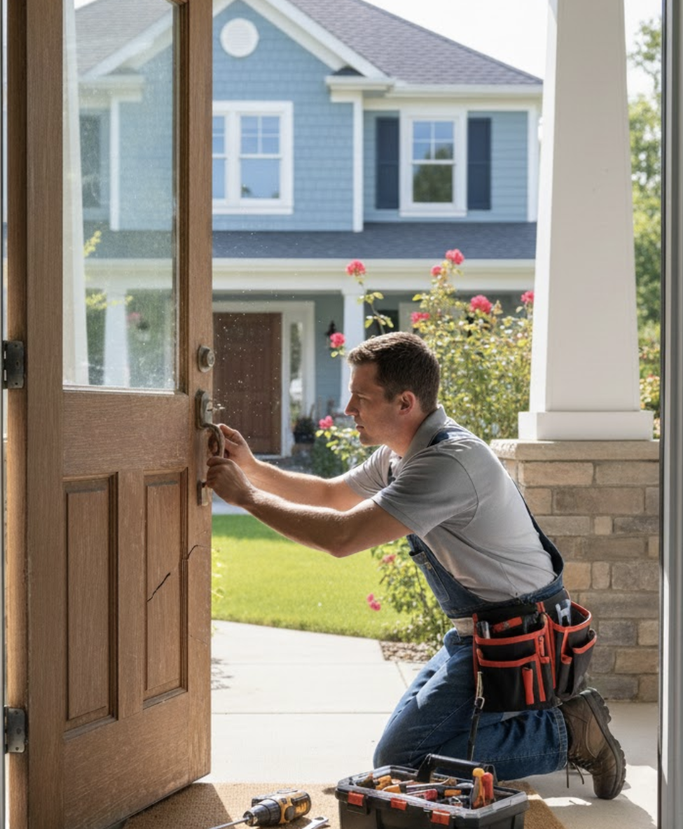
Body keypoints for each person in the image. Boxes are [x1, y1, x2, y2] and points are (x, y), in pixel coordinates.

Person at [206, 331, 625, 799]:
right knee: (412, 756)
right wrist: (252, 466)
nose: (348, 408)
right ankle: (524, 717)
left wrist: (246, 497)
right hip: (481, 633)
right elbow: (331, 496)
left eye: (361, 397)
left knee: (400, 763)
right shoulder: (400, 455)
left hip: (519, 639)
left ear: (404, 402)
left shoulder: (445, 463)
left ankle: (565, 732)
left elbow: (341, 537)